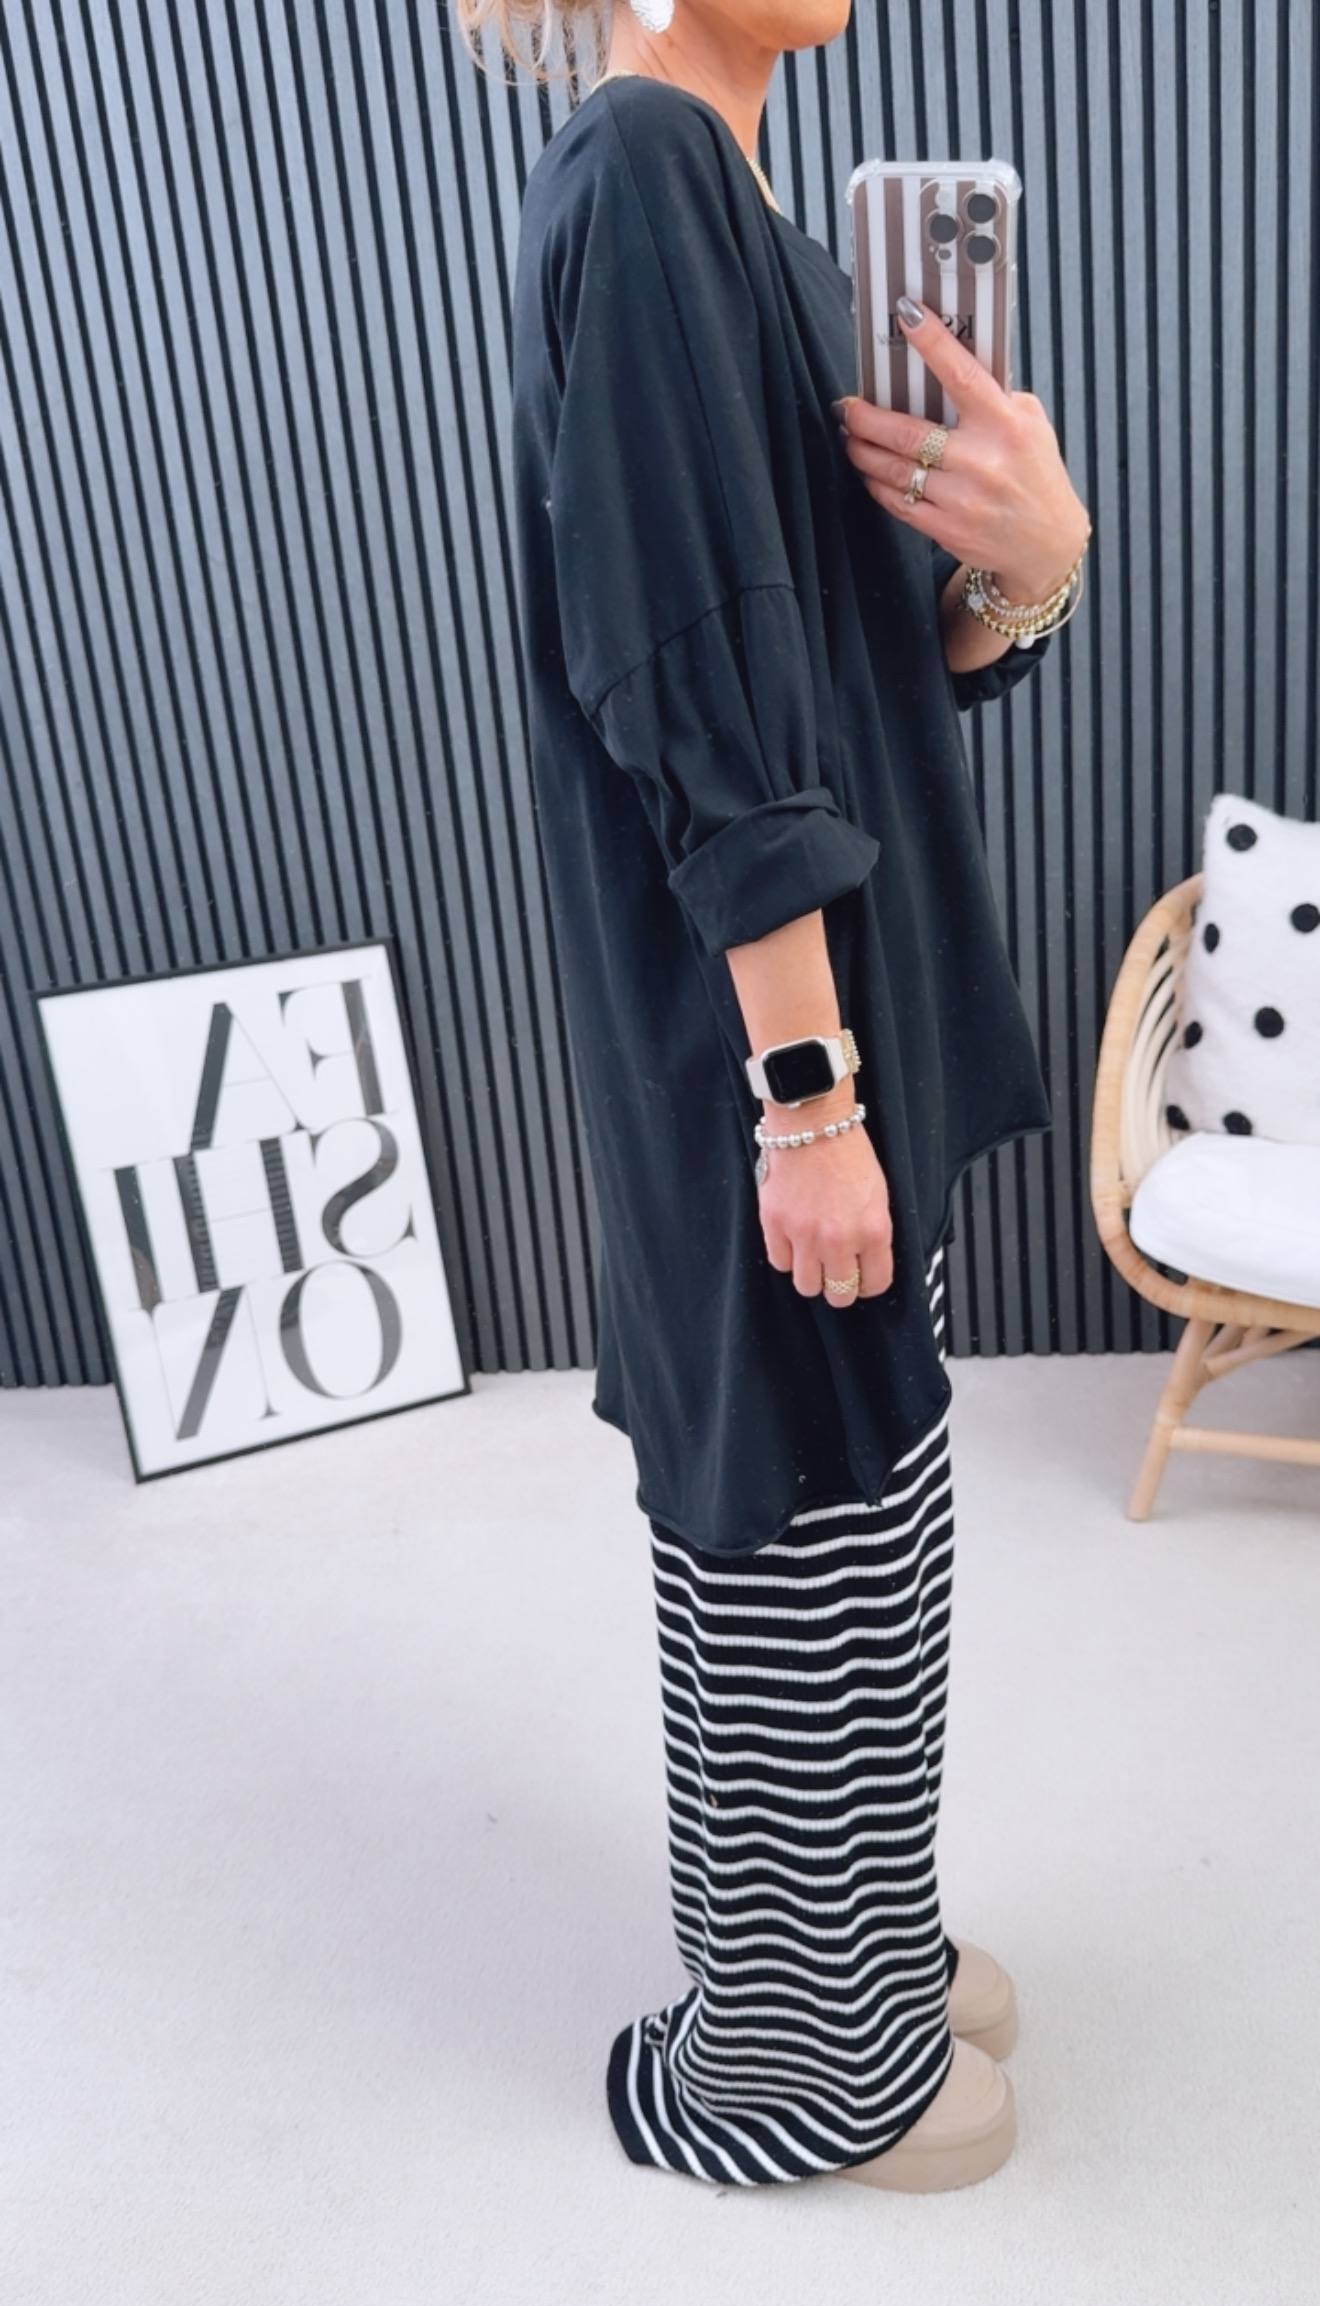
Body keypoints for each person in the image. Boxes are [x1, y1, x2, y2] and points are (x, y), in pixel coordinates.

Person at [460, 0, 1090, 2189]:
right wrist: (803, 1098)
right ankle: (790, 2068)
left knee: (868, 1506)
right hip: (769, 1036)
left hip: (837, 1010)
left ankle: (862, 1950)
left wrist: (1031, 559)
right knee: (791, 1519)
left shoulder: (751, 213)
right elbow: (687, 670)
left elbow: (864, 654)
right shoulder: (641, 174)